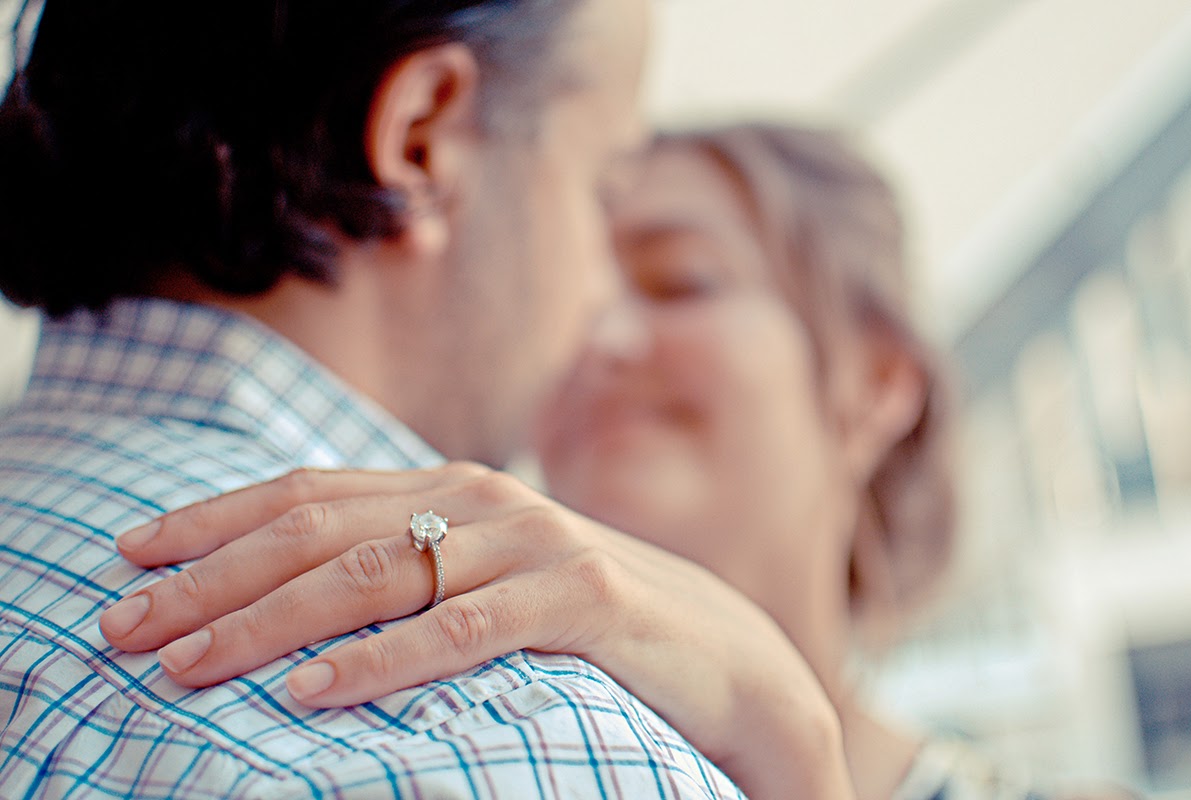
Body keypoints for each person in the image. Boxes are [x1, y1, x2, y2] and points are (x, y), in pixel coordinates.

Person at [0, 3, 853, 797]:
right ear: (420, 140)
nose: (599, 306)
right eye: (601, 186)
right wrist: (797, 750)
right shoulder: (530, 742)